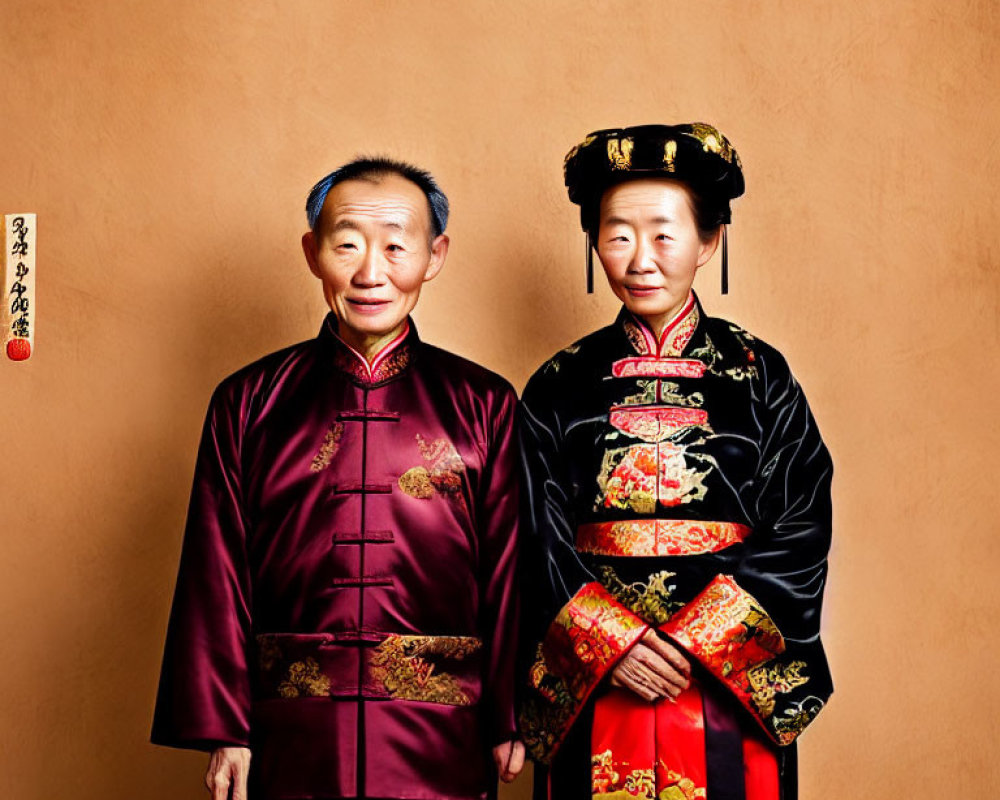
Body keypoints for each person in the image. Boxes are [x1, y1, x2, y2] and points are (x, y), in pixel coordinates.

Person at [152, 157, 525, 800]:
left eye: (395, 247)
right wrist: (227, 730)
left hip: (439, 733)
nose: (369, 273)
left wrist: (511, 715)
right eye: (347, 244)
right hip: (292, 731)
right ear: (312, 252)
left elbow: (512, 571)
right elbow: (216, 573)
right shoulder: (248, 401)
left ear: (434, 255)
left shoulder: (484, 402)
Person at [517, 124, 833, 800]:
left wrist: (699, 639)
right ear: (594, 242)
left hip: (724, 679)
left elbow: (802, 521)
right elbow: (530, 527)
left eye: (664, 234)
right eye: (617, 234)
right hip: (599, 679)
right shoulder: (557, 384)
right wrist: (610, 642)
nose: (640, 259)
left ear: (708, 239)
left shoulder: (761, 374)